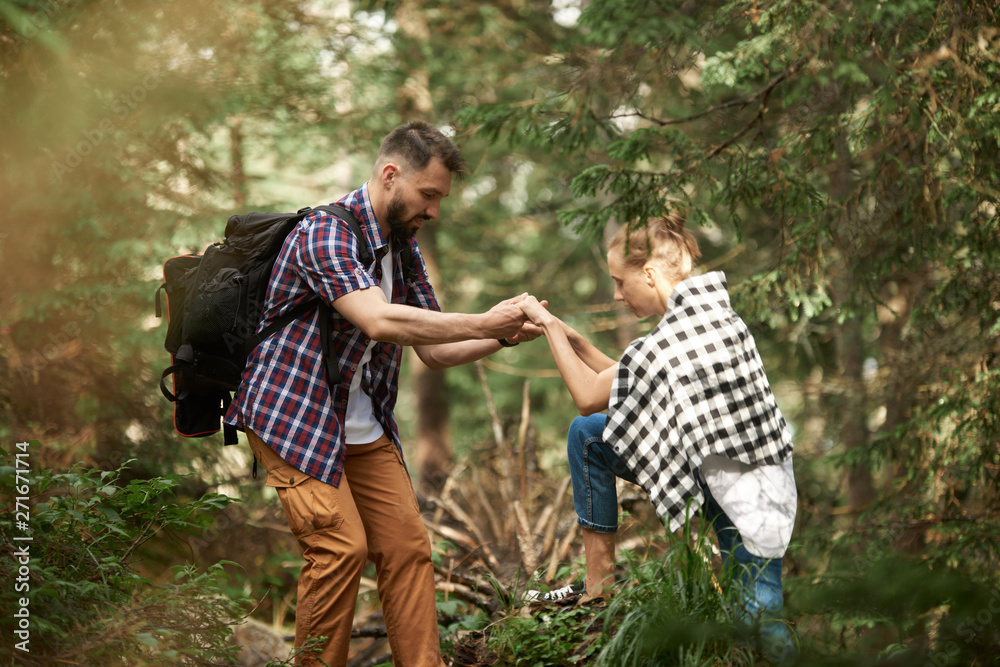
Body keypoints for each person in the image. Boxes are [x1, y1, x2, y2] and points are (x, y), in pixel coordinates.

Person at [224, 121, 538, 667]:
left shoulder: (401, 245)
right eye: (429, 194)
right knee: (340, 548)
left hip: (360, 426)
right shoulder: (325, 232)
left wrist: (500, 334)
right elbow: (378, 320)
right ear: (391, 176)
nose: (434, 209)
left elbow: (436, 349)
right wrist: (483, 318)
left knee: (408, 549)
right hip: (292, 421)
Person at [519, 214, 797, 662]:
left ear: (648, 274)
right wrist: (567, 333)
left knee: (760, 624)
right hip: (734, 482)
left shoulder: (674, 337)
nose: (616, 295)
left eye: (619, 282)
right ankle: (598, 588)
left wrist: (550, 329)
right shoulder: (706, 317)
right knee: (589, 437)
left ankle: (599, 587)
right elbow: (632, 375)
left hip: (749, 502)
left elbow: (590, 396)